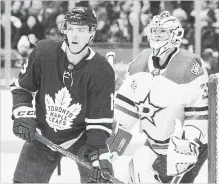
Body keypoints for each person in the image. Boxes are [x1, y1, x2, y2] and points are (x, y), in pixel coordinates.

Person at [10, 6, 116, 183]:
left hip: (82, 138)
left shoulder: (101, 70)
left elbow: (98, 122)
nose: (74, 35)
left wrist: (99, 156)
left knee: (100, 180)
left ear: (92, 33)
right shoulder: (44, 52)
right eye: (71, 28)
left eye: (81, 30)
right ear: (64, 29)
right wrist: (22, 113)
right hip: (43, 133)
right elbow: (22, 87)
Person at [114, 11, 208, 183]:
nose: (156, 34)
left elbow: (199, 112)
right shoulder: (140, 62)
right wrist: (111, 144)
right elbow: (125, 110)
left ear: (175, 34)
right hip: (153, 145)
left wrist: (189, 143)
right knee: (133, 176)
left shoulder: (190, 65)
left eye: (162, 31)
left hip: (186, 148)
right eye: (154, 30)